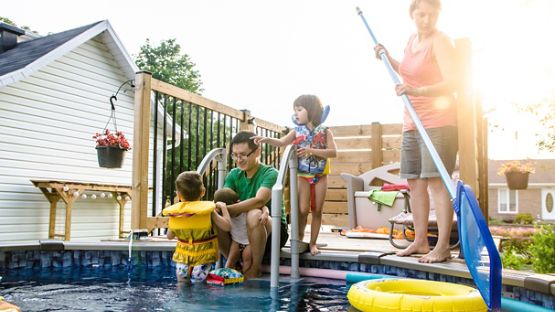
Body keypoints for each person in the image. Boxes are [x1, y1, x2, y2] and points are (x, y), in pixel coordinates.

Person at [374, 0, 459, 263]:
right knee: (415, 182)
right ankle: (420, 241)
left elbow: (453, 82)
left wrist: (417, 92)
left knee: (436, 182)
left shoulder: (441, 40)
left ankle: (442, 246)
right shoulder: (411, 40)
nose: (426, 19)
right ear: (413, 14)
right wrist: (388, 58)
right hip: (411, 121)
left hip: (438, 121)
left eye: (432, 15)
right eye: (421, 14)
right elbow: (411, 73)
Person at [253, 94, 337, 256]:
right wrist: (266, 139)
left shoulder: (325, 131)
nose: (296, 113)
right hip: (302, 176)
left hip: (320, 176)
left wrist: (310, 150)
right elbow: (281, 142)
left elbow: (333, 152)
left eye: (299, 109)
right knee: (303, 210)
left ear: (311, 110)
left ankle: (313, 244)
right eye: (295, 110)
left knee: (317, 210)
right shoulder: (296, 131)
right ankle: (298, 240)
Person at [217, 131, 289, 279]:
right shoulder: (233, 175)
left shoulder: (270, 173)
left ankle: (254, 269)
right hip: (240, 233)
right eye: (235, 155)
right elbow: (224, 198)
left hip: (271, 233)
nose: (238, 159)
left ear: (257, 152)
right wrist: (217, 210)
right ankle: (234, 265)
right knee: (214, 217)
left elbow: (259, 201)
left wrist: (226, 209)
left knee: (254, 214)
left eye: (243, 155)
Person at [162, 171, 231, 284]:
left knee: (182, 285)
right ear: (202, 192)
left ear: (179, 195)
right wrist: (223, 208)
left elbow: (169, 236)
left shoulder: (177, 214)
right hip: (204, 257)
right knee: (200, 288)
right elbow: (227, 226)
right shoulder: (207, 212)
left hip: (183, 257)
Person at [214, 187, 259, 273]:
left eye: (230, 210)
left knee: (247, 260)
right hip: (236, 241)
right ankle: (226, 277)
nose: (229, 214)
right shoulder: (225, 214)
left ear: (237, 203)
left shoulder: (244, 209)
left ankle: (244, 279)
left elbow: (262, 206)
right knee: (230, 260)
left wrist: (265, 212)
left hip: (249, 242)